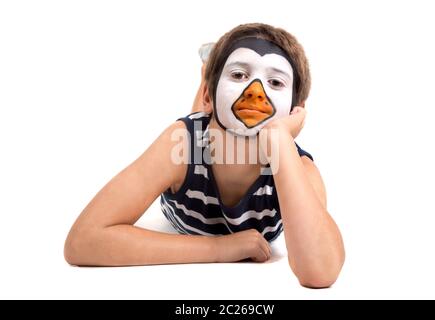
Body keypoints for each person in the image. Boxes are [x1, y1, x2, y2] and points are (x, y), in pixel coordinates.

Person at [64, 23, 345, 288]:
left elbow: (320, 272)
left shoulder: (300, 168)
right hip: (200, 137)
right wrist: (219, 248)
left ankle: (216, 69)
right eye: (238, 75)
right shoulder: (180, 145)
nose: (255, 92)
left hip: (250, 136)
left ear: (296, 111)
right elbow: (82, 242)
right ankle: (209, 72)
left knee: (211, 118)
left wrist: (279, 138)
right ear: (211, 95)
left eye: (275, 82)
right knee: (198, 120)